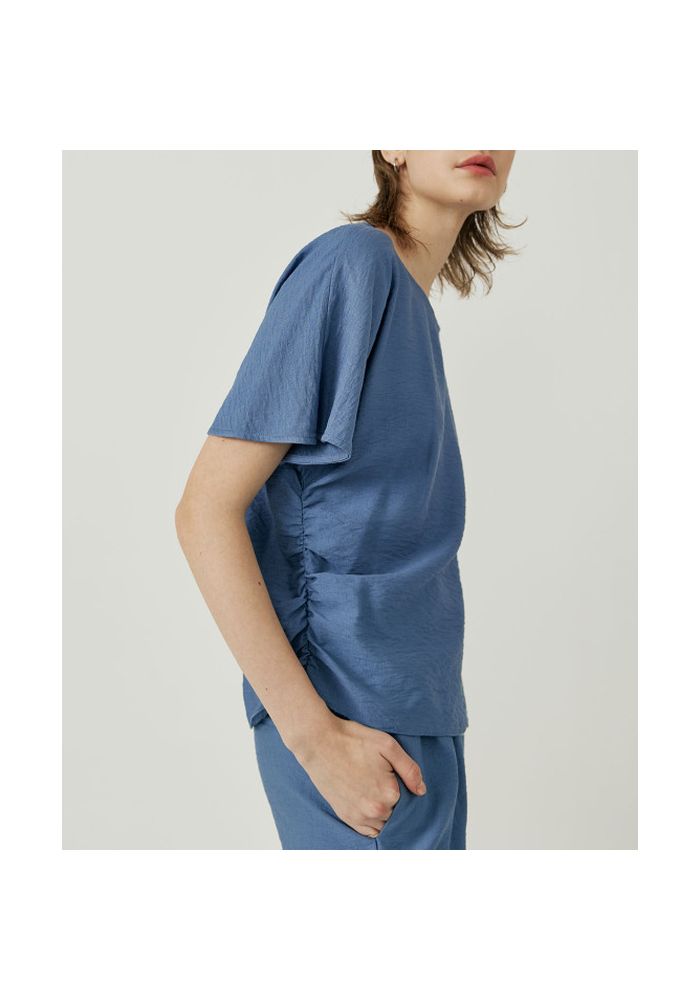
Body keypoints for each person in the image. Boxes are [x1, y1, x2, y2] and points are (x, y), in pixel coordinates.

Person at [175, 150, 520, 849]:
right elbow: (204, 510)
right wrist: (316, 741)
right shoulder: (352, 265)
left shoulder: (408, 301)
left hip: (421, 715)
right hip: (353, 717)